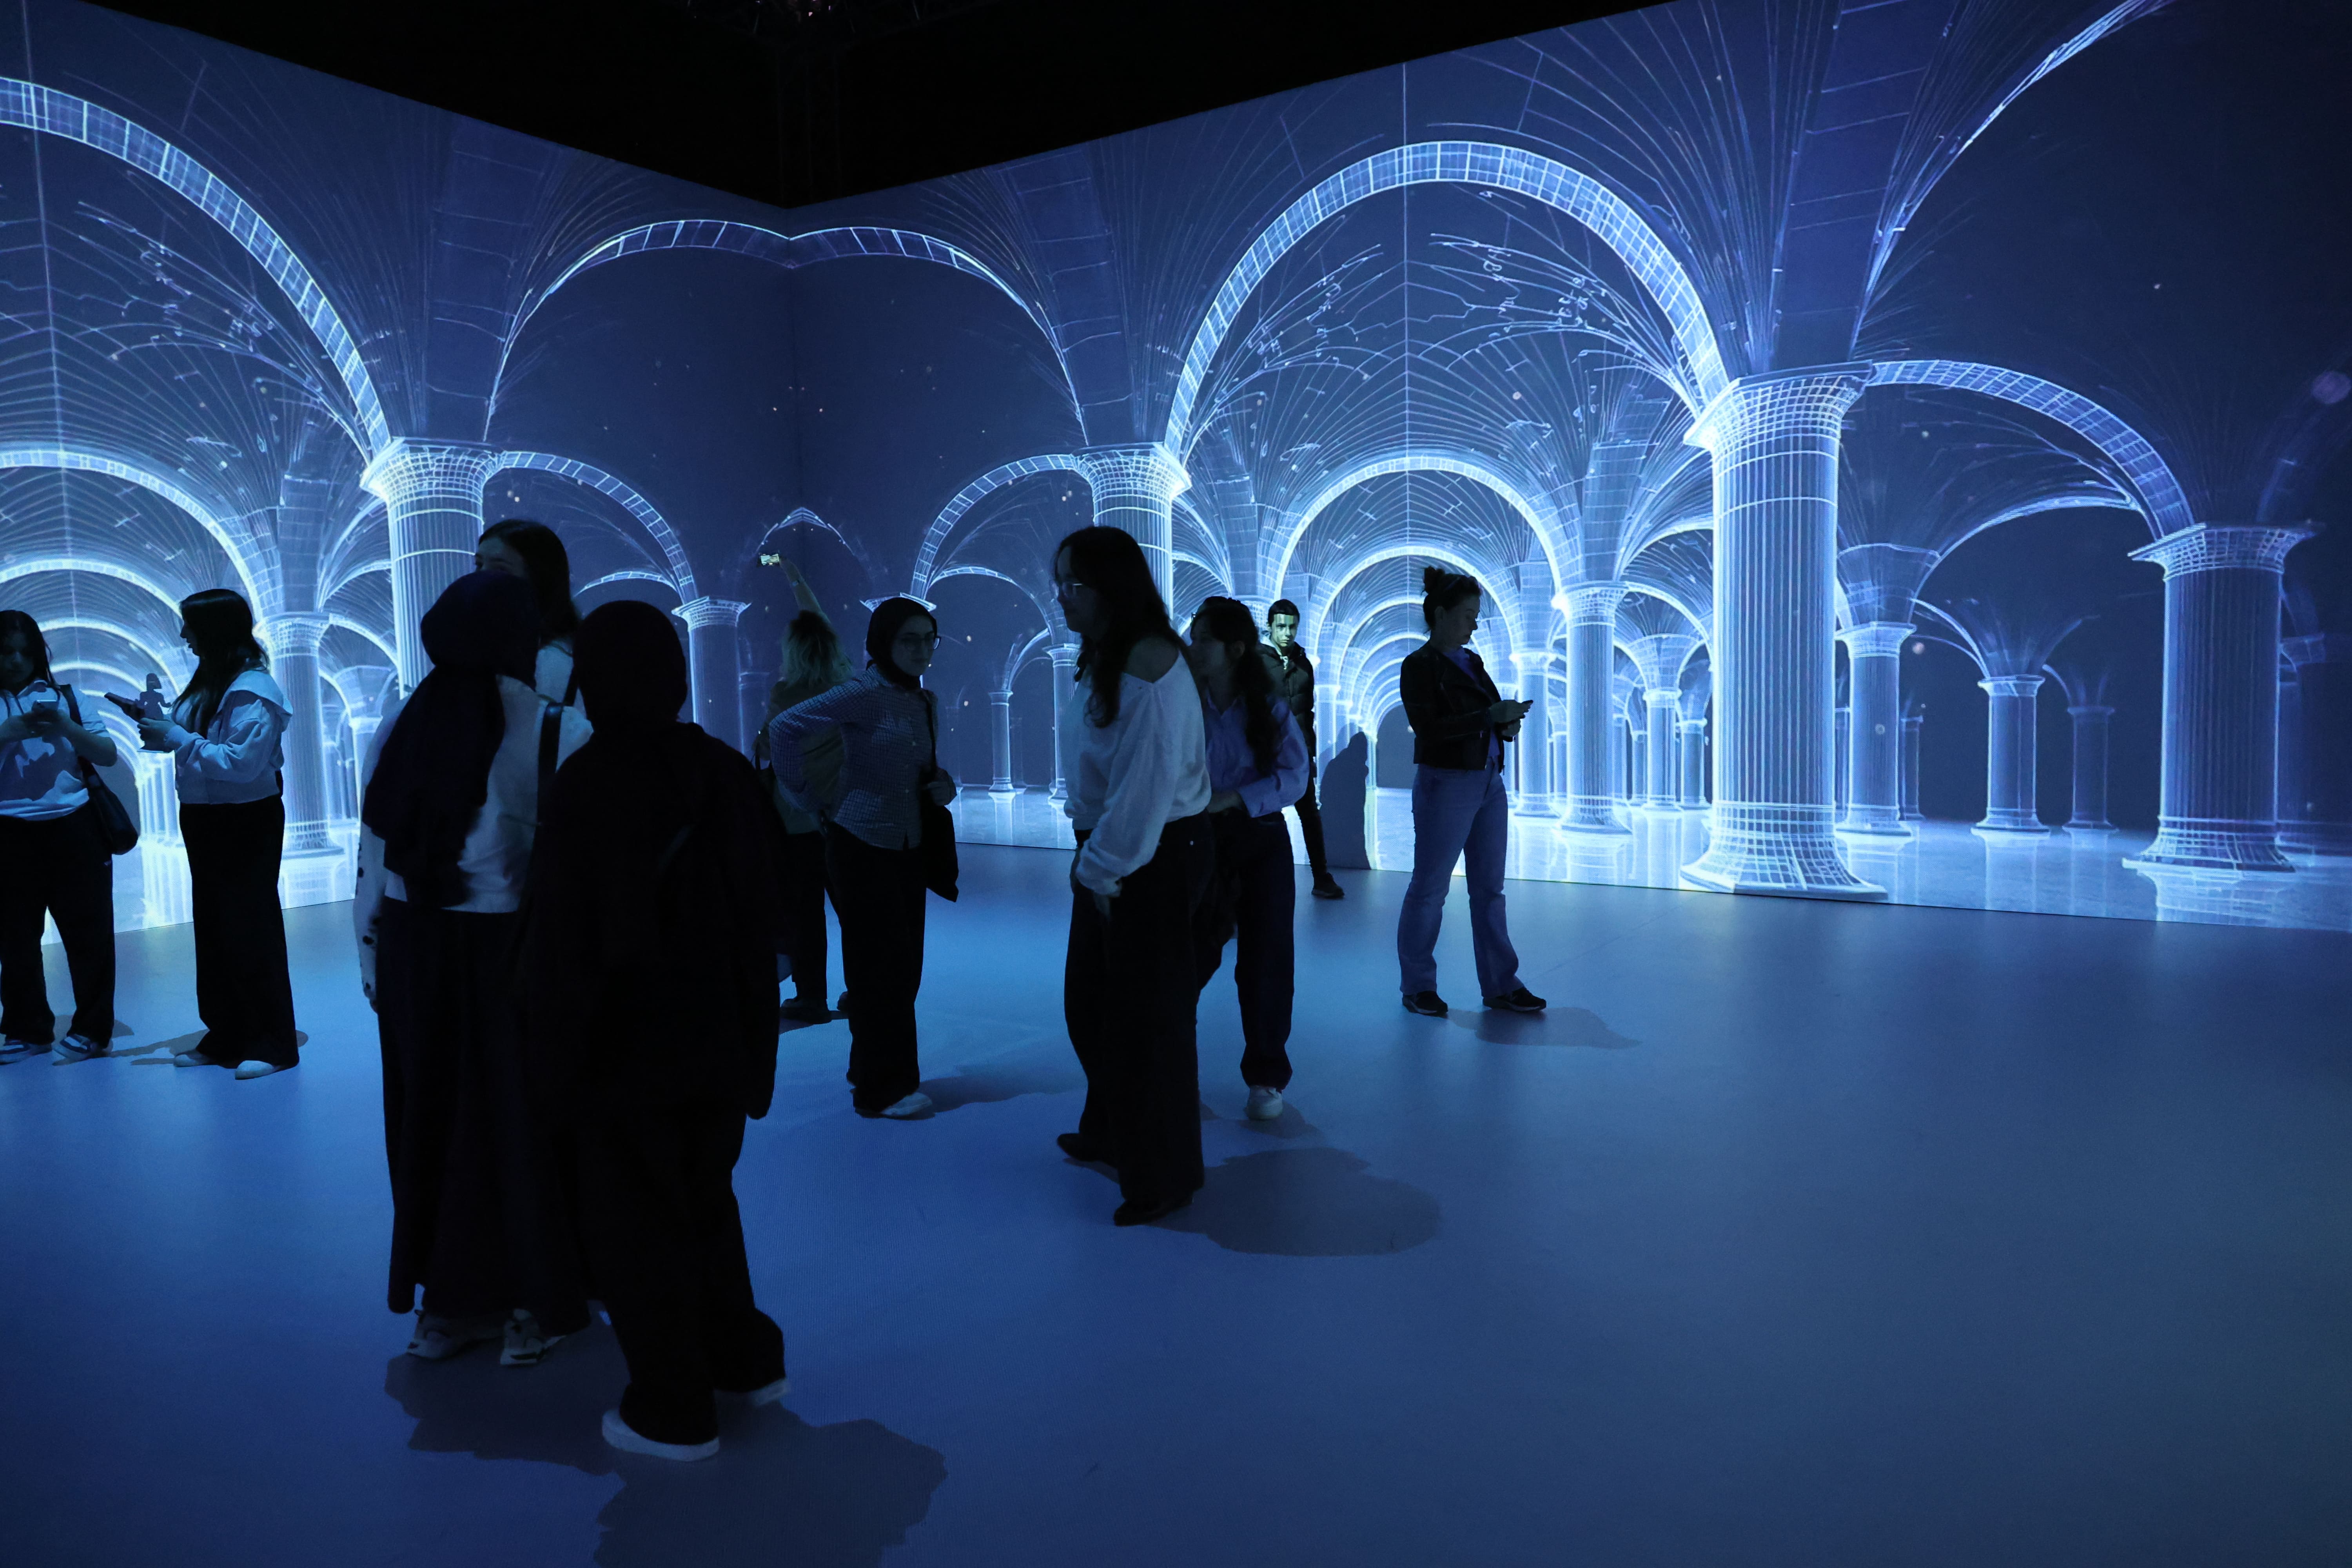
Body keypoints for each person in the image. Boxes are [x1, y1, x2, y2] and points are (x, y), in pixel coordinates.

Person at [520, 599, 788, 1463]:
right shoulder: (723, 768)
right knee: (708, 1197)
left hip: (626, 1046)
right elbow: (765, 912)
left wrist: (552, 1063)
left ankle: (673, 1408)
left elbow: (566, 942)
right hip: (722, 1038)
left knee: (637, 1221)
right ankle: (744, 1360)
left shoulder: (588, 783)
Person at [356, 570, 593, 1366]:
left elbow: (374, 852)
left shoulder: (404, 721)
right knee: (521, 1127)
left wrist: (371, 957)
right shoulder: (553, 726)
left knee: (429, 1125)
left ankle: (449, 1303)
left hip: (414, 950)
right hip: (510, 953)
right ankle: (534, 1299)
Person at [1054, 526, 1214, 1227]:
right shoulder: (1113, 655)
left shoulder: (1145, 667)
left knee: (1148, 1022)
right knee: (1097, 1006)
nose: (1063, 597)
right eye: (1061, 583)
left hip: (1146, 854)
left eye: (1075, 584)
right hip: (1125, 850)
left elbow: (1143, 793)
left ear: (1111, 588)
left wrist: (1100, 870)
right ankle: (1114, 1134)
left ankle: (1164, 1174)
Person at [768, 597, 956, 1119]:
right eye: (909, 640)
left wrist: (944, 787)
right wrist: (806, 797)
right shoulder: (864, 693)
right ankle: (882, 1089)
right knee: (877, 972)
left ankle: (878, 1071)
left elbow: (923, 771)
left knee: (904, 969)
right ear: (883, 643)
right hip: (861, 844)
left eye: (929, 640)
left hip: (908, 846)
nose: (921, 650)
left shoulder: (924, 700)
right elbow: (785, 729)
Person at [134, 589, 300, 1078]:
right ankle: (227, 1033)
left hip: (244, 818)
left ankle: (273, 1042)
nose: (183, 634)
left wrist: (176, 737)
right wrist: (162, 729)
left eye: (190, 625)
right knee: (215, 928)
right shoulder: (213, 680)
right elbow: (201, 742)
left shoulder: (253, 688)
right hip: (207, 816)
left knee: (250, 927)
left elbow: (241, 764)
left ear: (215, 630)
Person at [1395, 567, 1546, 1018]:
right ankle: (1418, 985)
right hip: (1447, 783)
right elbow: (1428, 729)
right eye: (1466, 615)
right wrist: (1489, 718)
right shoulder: (1419, 665)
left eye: (1476, 616)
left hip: (1487, 780)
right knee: (1430, 889)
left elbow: (1484, 714)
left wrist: (1504, 723)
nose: (1473, 625)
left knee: (1489, 889)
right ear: (1440, 614)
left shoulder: (1471, 662)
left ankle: (1501, 984)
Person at [1187, 597, 1307, 1122]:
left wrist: (1236, 798)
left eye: (1204, 640)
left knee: (1266, 961)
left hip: (1259, 839)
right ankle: (1174, 1070)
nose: (1193, 648)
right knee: (1187, 956)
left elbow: (1296, 776)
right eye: (1193, 638)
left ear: (1235, 649)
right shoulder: (1184, 704)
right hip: (1200, 841)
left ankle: (1266, 1076)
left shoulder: (1267, 708)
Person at [0, 612, 118, 1065]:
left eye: (25, 652)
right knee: (15, 938)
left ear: (38, 655)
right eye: (6, 652)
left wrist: (66, 726)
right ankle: (27, 1028)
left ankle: (92, 1029)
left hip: (74, 825)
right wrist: (6, 734)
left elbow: (107, 753)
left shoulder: (67, 696)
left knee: (89, 934)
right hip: (9, 830)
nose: (16, 661)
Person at [754, 560, 851, 1024]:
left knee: (805, 913)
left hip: (796, 822)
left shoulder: (784, 695)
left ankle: (811, 998)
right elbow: (820, 621)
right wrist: (795, 576)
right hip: (842, 820)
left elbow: (771, 749)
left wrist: (761, 739)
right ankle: (865, 989)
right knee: (853, 911)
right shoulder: (846, 687)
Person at [1263, 599, 1345, 900]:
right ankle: (1256, 883)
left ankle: (1321, 878)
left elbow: (1307, 713)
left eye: (1292, 627)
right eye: (1281, 627)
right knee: (1264, 816)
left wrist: (1308, 751)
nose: (1287, 633)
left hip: (1297, 753)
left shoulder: (1303, 664)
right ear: (1270, 626)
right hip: (1267, 754)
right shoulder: (1256, 663)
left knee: (1310, 814)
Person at [476, 519, 582, 705]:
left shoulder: (549, 661)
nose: (480, 578)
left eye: (500, 569)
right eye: (479, 565)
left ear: (538, 579)